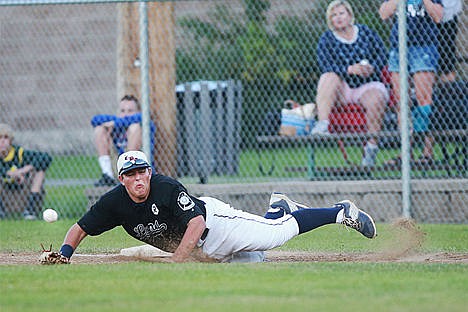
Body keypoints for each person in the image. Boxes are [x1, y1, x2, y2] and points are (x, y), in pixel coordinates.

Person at [48, 150, 376, 264]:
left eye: (141, 171)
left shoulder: (166, 188)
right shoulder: (113, 203)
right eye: (129, 174)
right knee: (251, 265)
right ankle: (278, 206)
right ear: (121, 179)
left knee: (275, 236)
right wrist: (64, 253)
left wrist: (178, 259)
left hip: (216, 226)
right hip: (205, 250)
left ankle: (339, 211)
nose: (137, 179)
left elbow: (194, 224)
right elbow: (80, 228)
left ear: (149, 171)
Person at [310, 0, 389, 167]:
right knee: (328, 76)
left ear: (350, 15)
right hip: (342, 87)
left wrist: (371, 67)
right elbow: (325, 65)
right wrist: (349, 69)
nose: (338, 18)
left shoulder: (366, 33)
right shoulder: (327, 39)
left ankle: (371, 149)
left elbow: (383, 55)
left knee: (377, 98)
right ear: (330, 20)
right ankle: (323, 125)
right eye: (334, 15)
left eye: (341, 13)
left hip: (367, 84)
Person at [379, 0, 444, 166]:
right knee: (402, 102)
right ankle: (406, 152)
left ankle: (427, 151)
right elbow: (384, 14)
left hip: (423, 47)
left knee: (424, 99)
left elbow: (438, 16)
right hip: (398, 47)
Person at [91, 95, 155, 187]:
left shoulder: (144, 122)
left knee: (134, 127)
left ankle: (130, 170)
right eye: (122, 111)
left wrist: (116, 123)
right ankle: (107, 175)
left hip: (141, 169)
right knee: (99, 129)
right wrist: (116, 123)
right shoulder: (117, 125)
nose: (125, 114)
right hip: (118, 166)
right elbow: (94, 120)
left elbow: (143, 117)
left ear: (138, 112)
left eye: (130, 111)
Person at [0, 123, 52, 220]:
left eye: (5, 138)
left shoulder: (18, 152)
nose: (2, 141)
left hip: (23, 194)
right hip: (4, 196)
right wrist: (10, 173)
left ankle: (31, 209)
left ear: (10, 141)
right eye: (0, 138)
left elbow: (46, 157)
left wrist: (23, 170)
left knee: (40, 171)